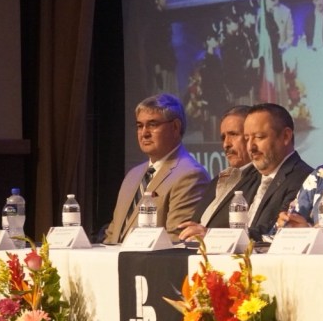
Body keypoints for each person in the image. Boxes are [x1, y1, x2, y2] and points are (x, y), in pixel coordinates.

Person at [103, 93, 211, 244]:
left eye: (152, 125)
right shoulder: (133, 175)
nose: (144, 133)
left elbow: (177, 241)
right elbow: (113, 234)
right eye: (140, 126)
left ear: (175, 127)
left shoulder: (190, 175)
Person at [178, 105, 256, 240]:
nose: (226, 144)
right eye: (223, 137)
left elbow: (252, 232)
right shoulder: (218, 180)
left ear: (251, 137)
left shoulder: (262, 180)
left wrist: (210, 235)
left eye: (233, 134)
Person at [242, 102, 313, 242]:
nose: (250, 147)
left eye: (259, 137)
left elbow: (274, 230)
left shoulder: (303, 178)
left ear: (285, 136)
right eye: (246, 139)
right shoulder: (248, 177)